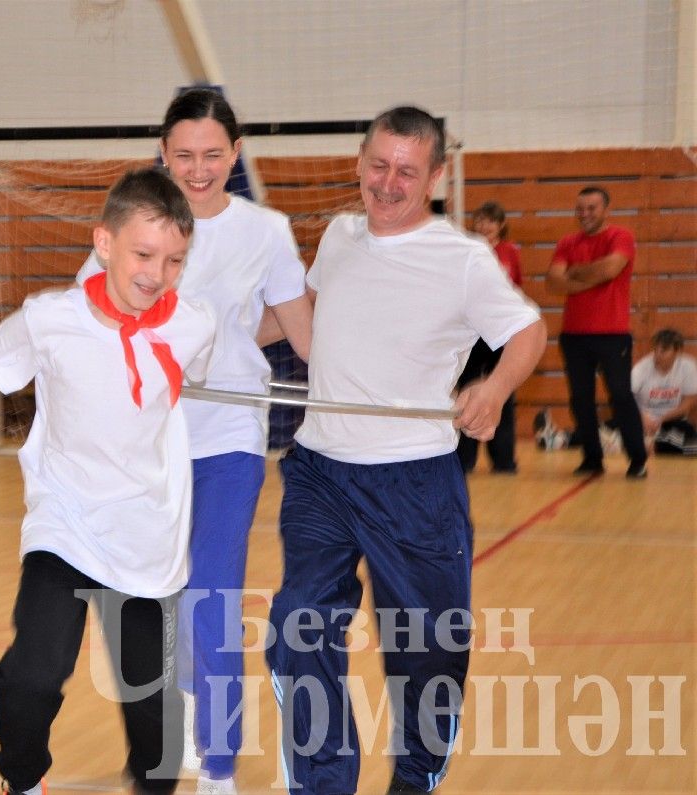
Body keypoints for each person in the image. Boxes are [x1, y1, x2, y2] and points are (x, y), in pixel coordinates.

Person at [0, 168, 216, 795]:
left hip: (146, 539)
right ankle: (23, 779)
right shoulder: (50, 319)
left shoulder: (193, 323)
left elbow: (176, 388)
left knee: (157, 735)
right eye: (144, 254)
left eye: (175, 260)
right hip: (63, 525)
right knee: (32, 677)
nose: (157, 272)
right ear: (103, 243)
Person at [266, 106, 545, 794]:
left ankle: (416, 774)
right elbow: (301, 316)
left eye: (407, 171)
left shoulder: (463, 259)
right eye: (378, 165)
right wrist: (205, 346)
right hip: (320, 472)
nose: (389, 183)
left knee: (431, 653)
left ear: (435, 177)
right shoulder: (338, 235)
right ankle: (323, 782)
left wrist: (497, 385)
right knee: (299, 628)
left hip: (414, 482)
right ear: (360, 162)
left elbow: (528, 331)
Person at [77, 88, 312, 793]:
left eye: (213, 154)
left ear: (236, 153)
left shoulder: (266, 230)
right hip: (145, 444)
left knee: (211, 598)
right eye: (183, 155)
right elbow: (85, 318)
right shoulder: (130, 224)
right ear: (162, 152)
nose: (199, 169)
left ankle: (219, 764)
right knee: (154, 599)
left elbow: (304, 332)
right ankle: (169, 730)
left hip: (227, 441)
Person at [546, 186, 647, 478]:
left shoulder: (621, 236)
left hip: (612, 334)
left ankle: (637, 459)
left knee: (620, 395)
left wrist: (575, 273)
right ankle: (592, 459)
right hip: (574, 335)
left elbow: (610, 270)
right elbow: (553, 282)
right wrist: (590, 275)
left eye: (591, 208)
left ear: (606, 209)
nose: (585, 214)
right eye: (580, 208)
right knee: (580, 399)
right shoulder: (567, 241)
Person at [455, 201, 524, 473]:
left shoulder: (510, 252)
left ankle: (504, 460)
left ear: (501, 225)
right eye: (480, 219)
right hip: (472, 332)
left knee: (501, 391)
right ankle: (465, 460)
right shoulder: (467, 250)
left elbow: (517, 289)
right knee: (468, 388)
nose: (484, 226)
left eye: (490, 221)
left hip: (500, 332)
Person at [632, 328, 697, 455]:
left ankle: (651, 446)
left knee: (690, 443)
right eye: (655, 349)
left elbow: (688, 403)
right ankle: (647, 445)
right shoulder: (641, 368)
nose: (657, 354)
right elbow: (627, 398)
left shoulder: (688, 366)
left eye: (664, 350)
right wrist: (643, 417)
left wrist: (660, 419)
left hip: (671, 419)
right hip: (642, 419)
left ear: (677, 351)